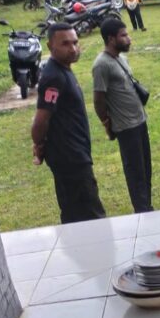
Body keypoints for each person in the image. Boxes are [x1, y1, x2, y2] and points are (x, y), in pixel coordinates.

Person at [31, 23, 106, 224]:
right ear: (50, 46)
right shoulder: (54, 77)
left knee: (77, 213)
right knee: (90, 215)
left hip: (76, 153)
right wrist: (38, 144)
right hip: (70, 158)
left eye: (75, 42)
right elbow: (40, 119)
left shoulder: (63, 70)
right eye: (65, 44)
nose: (72, 48)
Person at [93, 19, 153, 214]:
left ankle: (147, 206)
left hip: (140, 121)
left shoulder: (121, 58)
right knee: (135, 171)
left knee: (145, 168)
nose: (129, 39)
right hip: (126, 127)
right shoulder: (101, 65)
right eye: (124, 35)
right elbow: (98, 99)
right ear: (111, 39)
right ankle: (141, 211)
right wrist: (107, 123)